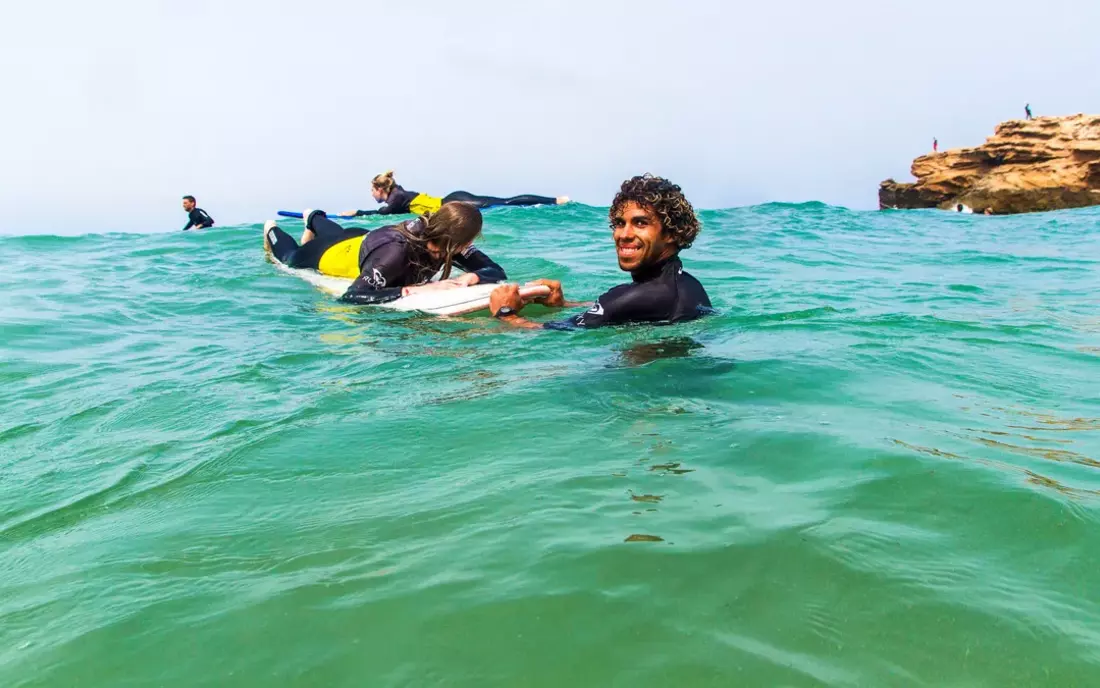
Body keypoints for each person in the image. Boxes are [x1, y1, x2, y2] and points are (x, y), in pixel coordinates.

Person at [488, 174, 712, 330]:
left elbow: (543, 332)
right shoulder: (689, 285)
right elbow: (622, 310)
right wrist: (564, 306)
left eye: (640, 223)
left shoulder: (636, 296)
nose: (623, 234)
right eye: (619, 223)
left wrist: (506, 313)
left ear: (671, 233)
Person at [263, 203, 506, 304]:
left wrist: (470, 277)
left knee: (335, 231)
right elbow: (354, 296)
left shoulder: (447, 242)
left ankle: (313, 217)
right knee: (289, 257)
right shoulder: (396, 253)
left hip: (362, 239)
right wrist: (416, 290)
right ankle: (271, 229)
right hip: (328, 254)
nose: (472, 244)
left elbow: (495, 271)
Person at [341, 171, 570, 217]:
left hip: (453, 201)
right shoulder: (399, 194)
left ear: (381, 189)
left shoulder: (396, 198)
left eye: (372, 190)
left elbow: (384, 213)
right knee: (501, 203)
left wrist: (357, 212)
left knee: (505, 202)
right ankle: (552, 201)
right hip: (452, 199)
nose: (371, 194)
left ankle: (553, 201)